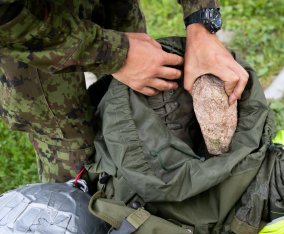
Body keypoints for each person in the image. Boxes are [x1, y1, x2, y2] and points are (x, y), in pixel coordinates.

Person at [0, 0, 249, 183]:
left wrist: (201, 21)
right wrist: (116, 53)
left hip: (114, 8)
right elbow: (8, 18)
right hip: (34, 29)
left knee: (144, 108)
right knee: (72, 154)